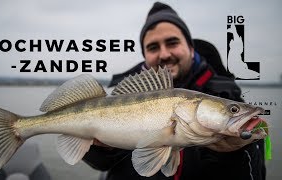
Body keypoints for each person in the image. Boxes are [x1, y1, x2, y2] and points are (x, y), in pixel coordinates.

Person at [83, 2, 266, 180]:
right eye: (153, 47)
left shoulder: (226, 94)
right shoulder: (124, 94)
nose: (164, 54)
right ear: (145, 55)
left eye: (172, 42)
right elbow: (104, 164)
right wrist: (100, 148)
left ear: (191, 48)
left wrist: (234, 153)